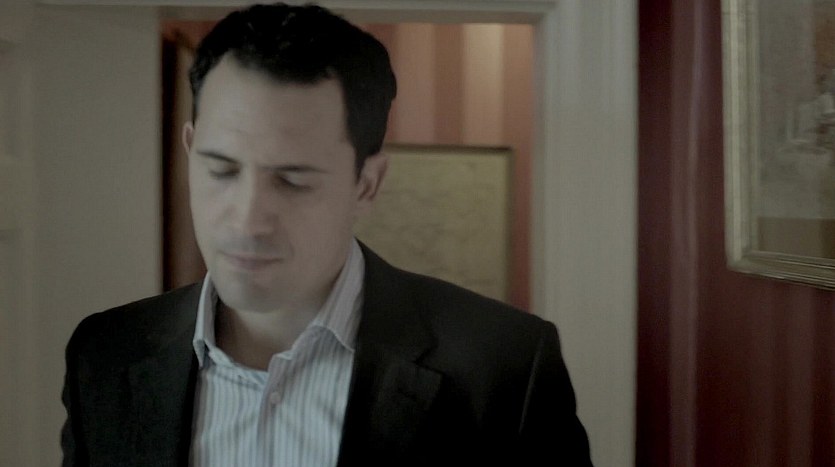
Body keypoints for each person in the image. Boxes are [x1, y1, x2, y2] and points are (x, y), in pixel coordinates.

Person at [60, 3, 592, 466]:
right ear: (189, 149)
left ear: (366, 184)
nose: (246, 220)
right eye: (221, 170)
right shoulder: (105, 353)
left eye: (292, 181)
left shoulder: (503, 367)